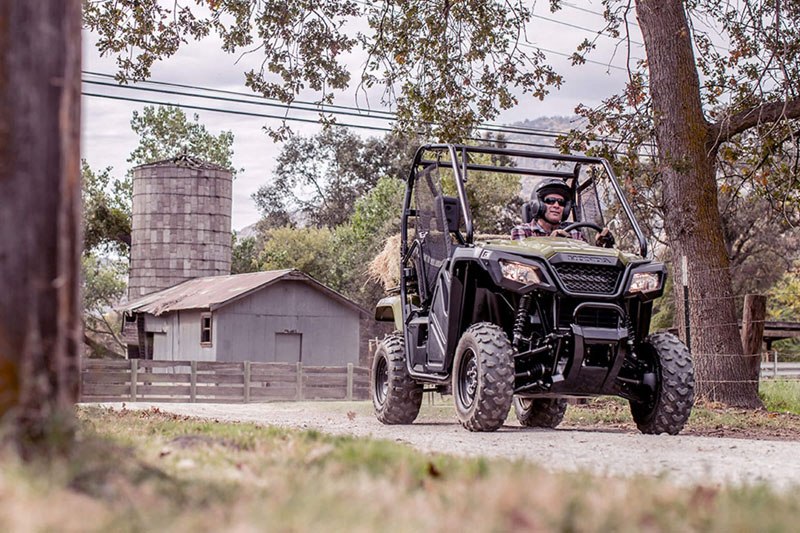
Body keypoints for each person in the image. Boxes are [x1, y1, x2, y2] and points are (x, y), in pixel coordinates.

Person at [511, 178, 614, 247]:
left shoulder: (575, 235)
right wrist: (552, 243)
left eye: (561, 203)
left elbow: (586, 265)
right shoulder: (522, 231)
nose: (556, 206)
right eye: (550, 201)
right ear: (538, 204)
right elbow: (523, 265)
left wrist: (600, 245)